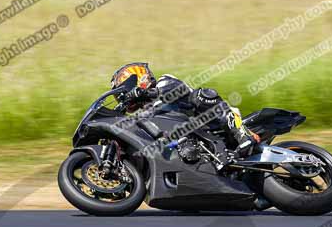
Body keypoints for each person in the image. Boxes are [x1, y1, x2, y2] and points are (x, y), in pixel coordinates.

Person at [110, 62, 259, 169]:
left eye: (125, 91)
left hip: (210, 123)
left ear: (140, 78)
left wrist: (145, 92)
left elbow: (178, 90)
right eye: (121, 95)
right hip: (189, 141)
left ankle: (242, 133)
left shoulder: (164, 82)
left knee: (201, 95)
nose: (124, 97)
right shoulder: (144, 114)